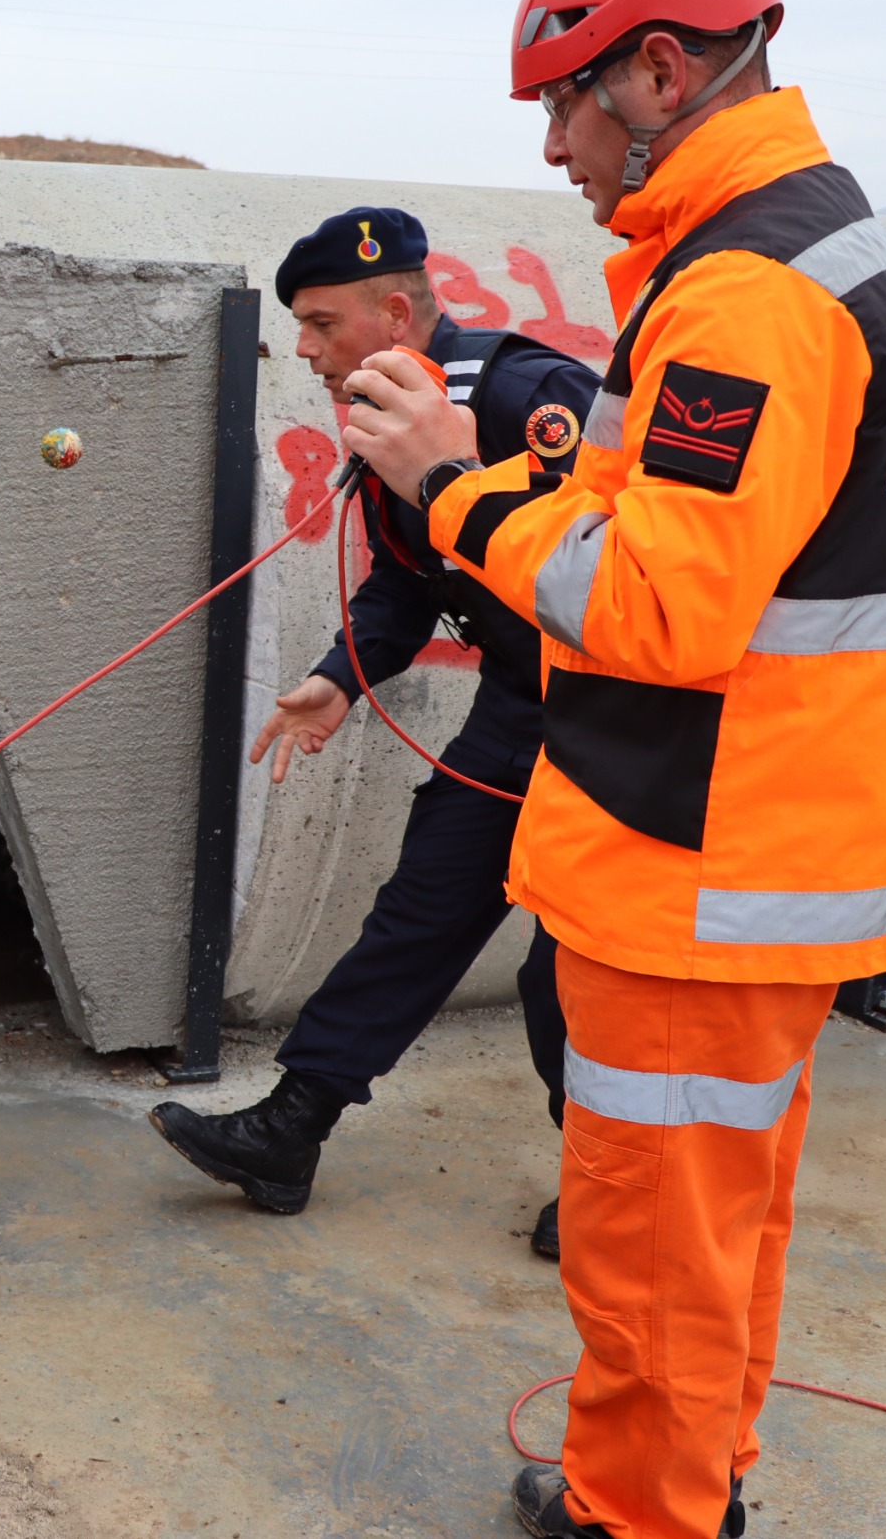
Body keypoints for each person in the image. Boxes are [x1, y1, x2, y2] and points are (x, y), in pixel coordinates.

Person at [340, 0, 886, 1539]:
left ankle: (648, 1518)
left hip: (702, 863)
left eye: (563, 100)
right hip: (771, 845)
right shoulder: (811, 236)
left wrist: (451, 494)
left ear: (661, 71)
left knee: (652, 1251)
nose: (551, 147)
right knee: (712, 1231)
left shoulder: (743, 297)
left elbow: (665, 610)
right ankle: (677, 1480)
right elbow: (718, 528)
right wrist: (545, 481)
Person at [150, 208, 594, 1247]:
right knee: (424, 902)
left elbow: (614, 560)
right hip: (517, 706)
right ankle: (288, 1132)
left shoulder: (528, 398)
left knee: (567, 968)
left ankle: (612, 1182)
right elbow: (406, 580)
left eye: (318, 323)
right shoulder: (387, 418)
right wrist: (336, 678)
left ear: (394, 314)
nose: (300, 347)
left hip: (615, 713)